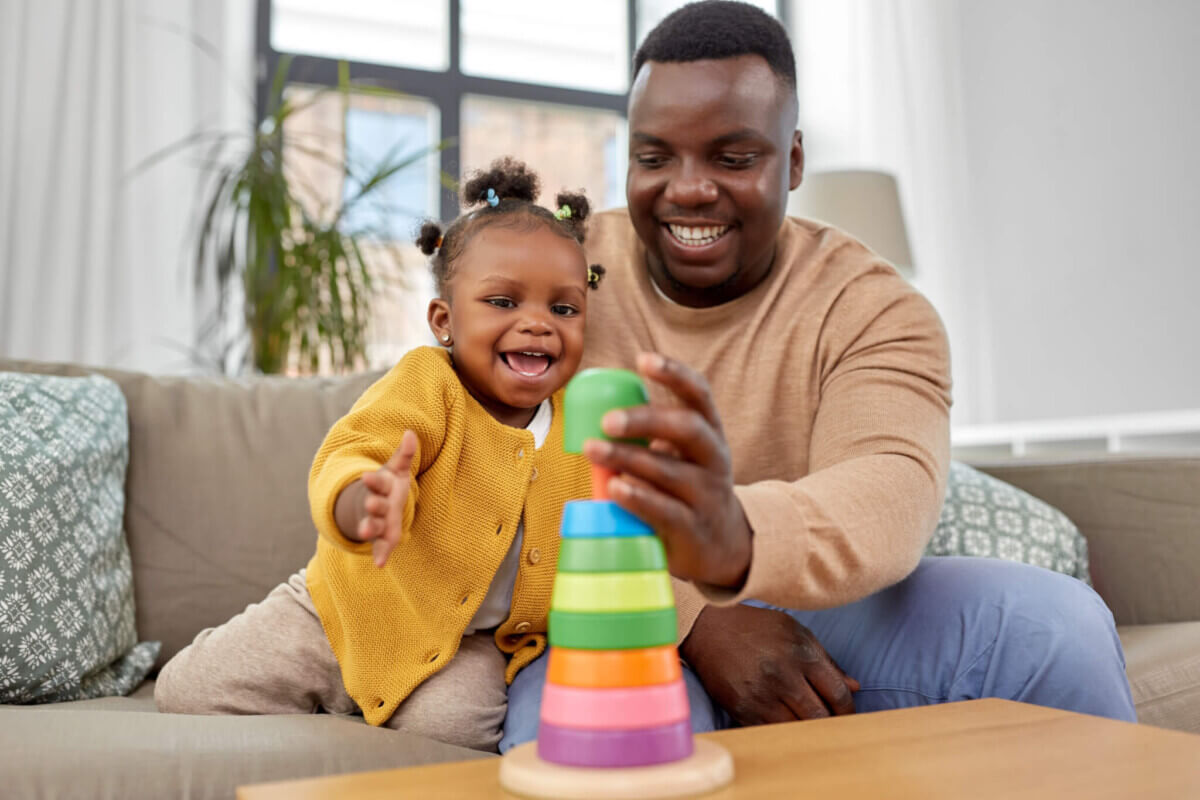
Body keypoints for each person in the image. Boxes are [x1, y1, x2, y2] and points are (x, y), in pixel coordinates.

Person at [500, 1, 1134, 749]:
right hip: (590, 609)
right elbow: (477, 484)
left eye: (734, 158)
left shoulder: (872, 306)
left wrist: (734, 541)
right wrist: (696, 615)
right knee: (595, 746)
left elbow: (888, 494)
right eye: (655, 157)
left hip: (821, 610)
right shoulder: (552, 273)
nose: (689, 189)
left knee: (1056, 628)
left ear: (793, 160)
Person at [155, 159, 606, 752]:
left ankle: (362, 705)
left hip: (462, 641)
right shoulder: (428, 383)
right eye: (502, 302)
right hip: (342, 608)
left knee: (454, 732)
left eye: (563, 309)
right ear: (444, 321)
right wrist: (363, 500)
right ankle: (340, 692)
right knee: (187, 688)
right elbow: (356, 451)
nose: (537, 325)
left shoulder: (584, 417)